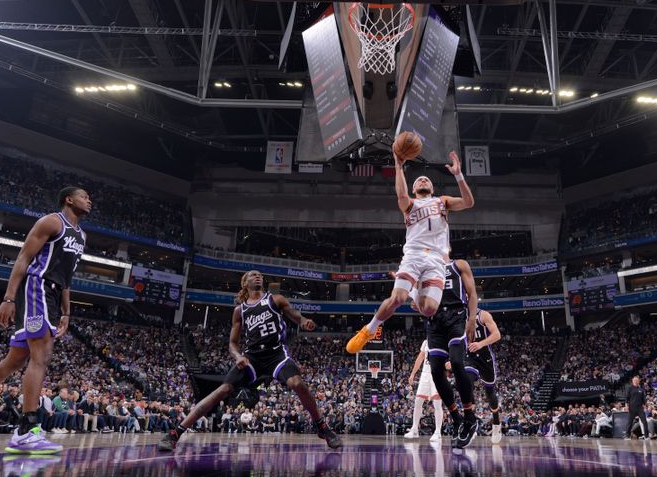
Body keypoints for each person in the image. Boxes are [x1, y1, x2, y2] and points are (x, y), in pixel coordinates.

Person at [158, 270, 342, 451]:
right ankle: (176, 433)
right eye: (253, 274)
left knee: (297, 383)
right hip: (252, 357)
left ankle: (322, 427)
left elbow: (294, 314)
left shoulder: (275, 299)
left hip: (276, 353)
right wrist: (238, 356)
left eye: (260, 274)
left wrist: (303, 321)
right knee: (223, 390)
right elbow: (232, 343)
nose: (258, 276)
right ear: (245, 283)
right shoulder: (240, 310)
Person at [0, 187, 90, 455]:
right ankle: (27, 430)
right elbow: (24, 258)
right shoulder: (52, 221)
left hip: (54, 295)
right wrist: (9, 298)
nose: (88, 200)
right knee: (40, 357)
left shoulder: (81, 235)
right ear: (69, 199)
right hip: (37, 287)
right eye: (84, 195)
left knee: (16, 360)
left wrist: (67, 312)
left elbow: (67, 278)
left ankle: (26, 431)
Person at [346, 150, 474, 352]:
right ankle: (368, 330)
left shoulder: (442, 202)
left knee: (429, 309)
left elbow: (468, 202)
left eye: (426, 180)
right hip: (414, 254)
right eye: (419, 181)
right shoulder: (410, 204)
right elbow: (401, 194)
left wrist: (458, 175)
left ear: (432, 187)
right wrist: (398, 166)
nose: (423, 180)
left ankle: (414, 290)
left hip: (436, 260)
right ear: (414, 188)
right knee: (397, 298)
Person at [422, 258, 479, 452]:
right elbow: (420, 299)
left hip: (456, 316)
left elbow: (472, 293)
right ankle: (457, 419)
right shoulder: (426, 269)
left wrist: (472, 318)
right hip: (434, 320)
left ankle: (470, 417)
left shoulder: (459, 264)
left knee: (456, 362)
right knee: (436, 370)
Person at [465, 308, 503, 444]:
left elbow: (497, 335)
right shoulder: (459, 316)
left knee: (489, 392)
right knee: (466, 384)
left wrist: (480, 344)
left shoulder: (483, 315)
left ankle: (497, 423)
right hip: (469, 357)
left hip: (485, 357)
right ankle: (471, 424)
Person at [405, 339, 444, 443]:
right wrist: (413, 374)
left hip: (438, 373)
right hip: (425, 373)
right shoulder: (426, 342)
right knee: (418, 402)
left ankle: (438, 432)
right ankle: (414, 429)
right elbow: (420, 357)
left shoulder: (444, 339)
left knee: (437, 404)